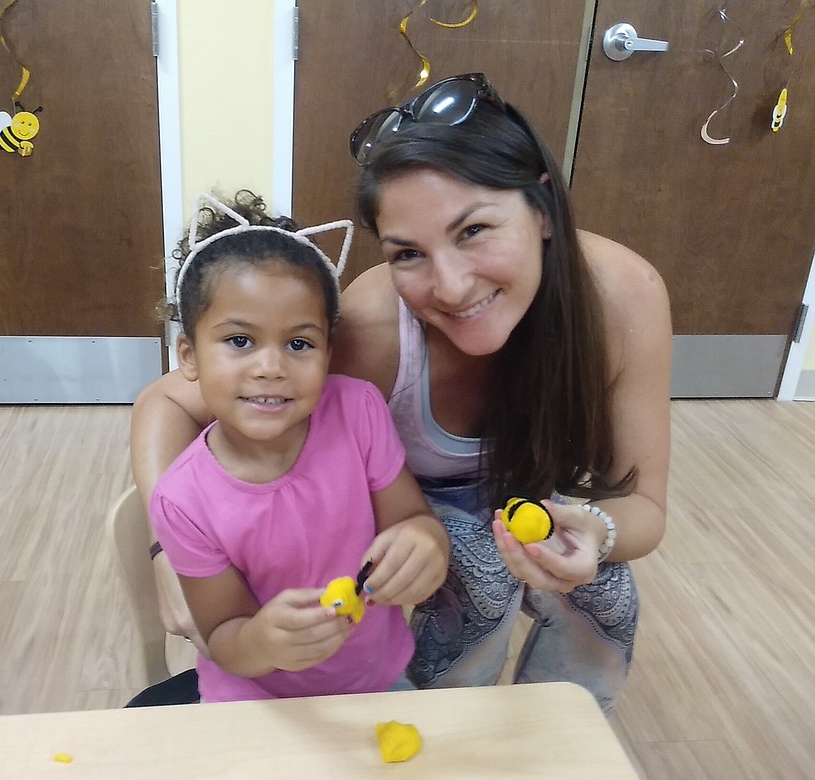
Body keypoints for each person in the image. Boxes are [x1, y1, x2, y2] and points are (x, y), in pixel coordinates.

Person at [132, 73, 671, 713]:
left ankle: (563, 738)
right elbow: (167, 402)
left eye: (473, 231)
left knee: (608, 594)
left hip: (515, 502)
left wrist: (598, 533)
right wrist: (168, 551)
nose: (450, 285)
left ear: (542, 209)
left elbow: (643, 506)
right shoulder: (366, 334)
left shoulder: (620, 301)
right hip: (398, 512)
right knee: (479, 578)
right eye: (408, 253)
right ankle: (433, 731)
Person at [146, 190, 449, 703]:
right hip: (255, 700)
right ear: (188, 355)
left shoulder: (358, 412)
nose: (271, 366)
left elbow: (411, 519)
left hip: (376, 680)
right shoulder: (182, 499)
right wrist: (263, 641)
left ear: (329, 352)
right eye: (240, 341)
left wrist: (426, 545)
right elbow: (223, 637)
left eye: (299, 343)